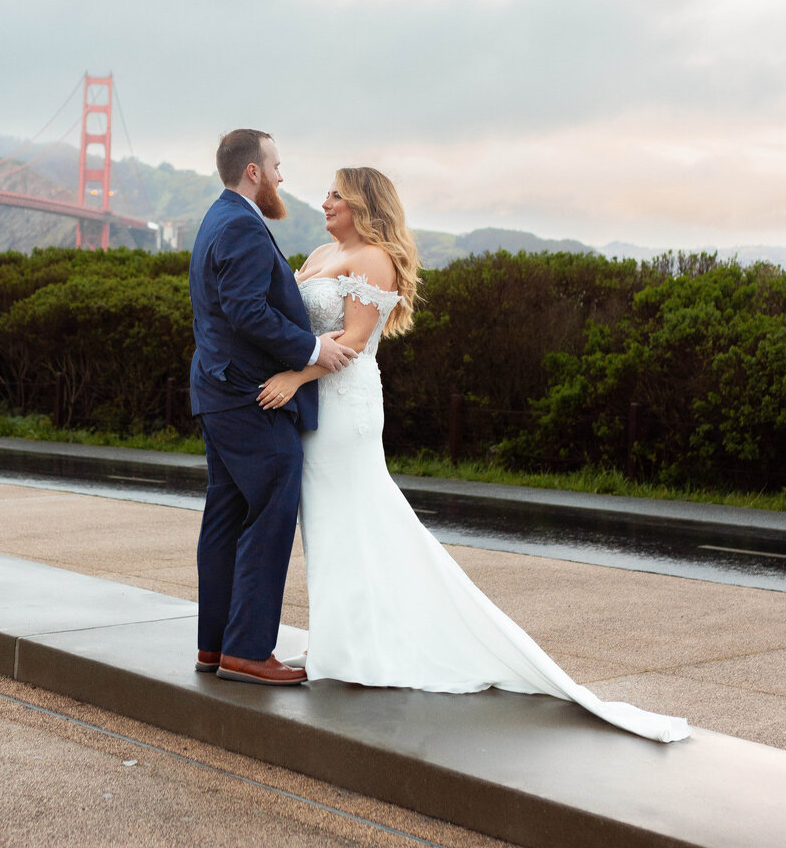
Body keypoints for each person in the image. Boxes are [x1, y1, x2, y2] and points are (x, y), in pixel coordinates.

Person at [256, 166, 690, 744]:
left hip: (344, 407)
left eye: (337, 193)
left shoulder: (375, 260)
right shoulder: (316, 253)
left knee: (358, 517)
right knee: (330, 524)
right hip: (314, 406)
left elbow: (355, 344)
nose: (326, 200)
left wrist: (292, 375)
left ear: (363, 203)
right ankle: (341, 641)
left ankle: (368, 646)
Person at [189, 128, 357, 685]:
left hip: (220, 391)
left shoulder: (219, 217)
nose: (283, 176)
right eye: (277, 165)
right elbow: (244, 311)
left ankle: (214, 648)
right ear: (254, 172)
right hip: (249, 395)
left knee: (225, 516)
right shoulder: (240, 223)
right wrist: (312, 348)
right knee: (272, 512)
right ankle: (248, 651)